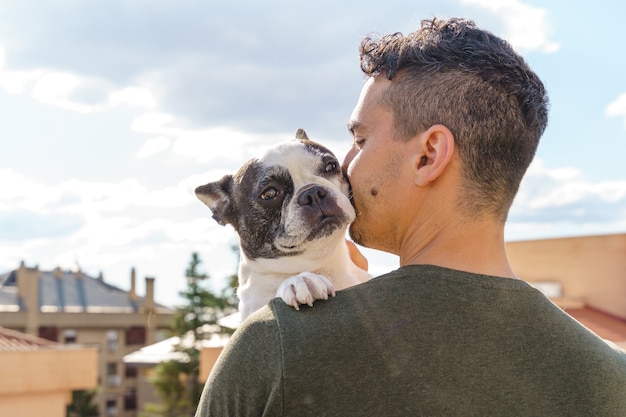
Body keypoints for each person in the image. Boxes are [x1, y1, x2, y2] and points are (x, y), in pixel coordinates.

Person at [195, 17, 626, 416]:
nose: (346, 164)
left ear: (428, 156)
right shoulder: (613, 377)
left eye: (359, 140)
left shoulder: (277, 342)